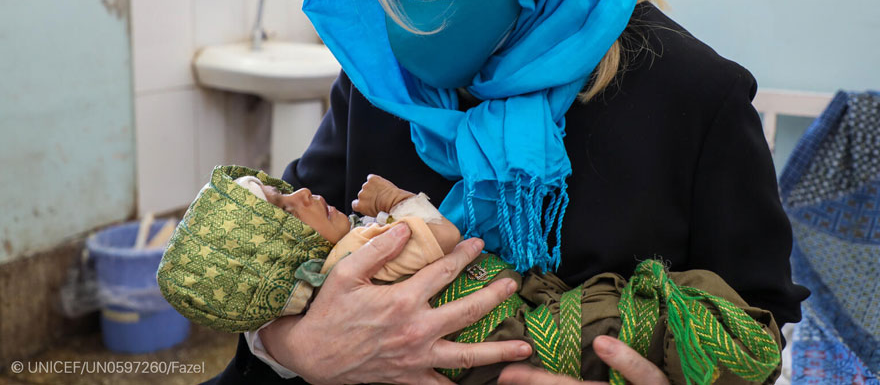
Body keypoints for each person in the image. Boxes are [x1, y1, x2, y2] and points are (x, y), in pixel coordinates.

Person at [206, 0, 809, 383]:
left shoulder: (693, 96)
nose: (400, 13)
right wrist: (295, 350)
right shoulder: (381, 86)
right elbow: (277, 256)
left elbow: (758, 327)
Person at [162, 167, 782, 384]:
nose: (299, 190)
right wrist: (291, 348)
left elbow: (773, 309)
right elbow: (430, 236)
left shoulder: (702, 93)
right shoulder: (368, 83)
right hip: (521, 337)